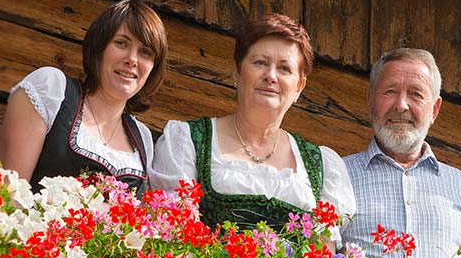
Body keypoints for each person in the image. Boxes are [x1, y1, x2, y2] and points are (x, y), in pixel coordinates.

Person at [150, 13, 355, 243]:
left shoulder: (322, 167)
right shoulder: (188, 142)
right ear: (237, 72)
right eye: (260, 63)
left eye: (284, 68)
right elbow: (174, 239)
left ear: (299, 87)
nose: (271, 76)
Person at [341, 48, 461, 258]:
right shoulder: (339, 174)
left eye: (416, 94)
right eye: (390, 91)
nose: (401, 105)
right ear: (370, 101)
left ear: (435, 110)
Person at [0, 0, 168, 196]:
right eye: (121, 43)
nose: (132, 59)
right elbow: (6, 199)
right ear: (99, 48)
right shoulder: (52, 89)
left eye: (145, 52)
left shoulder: (142, 138)